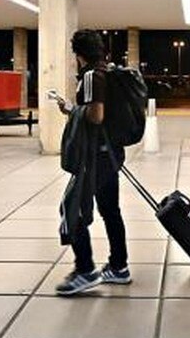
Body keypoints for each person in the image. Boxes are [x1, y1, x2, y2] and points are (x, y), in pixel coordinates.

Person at [52, 29, 131, 295]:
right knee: (110, 210)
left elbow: (96, 115)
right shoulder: (107, 71)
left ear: (78, 53)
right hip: (110, 153)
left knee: (71, 208)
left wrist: (71, 110)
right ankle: (119, 267)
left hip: (95, 157)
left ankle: (85, 270)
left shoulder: (90, 75)